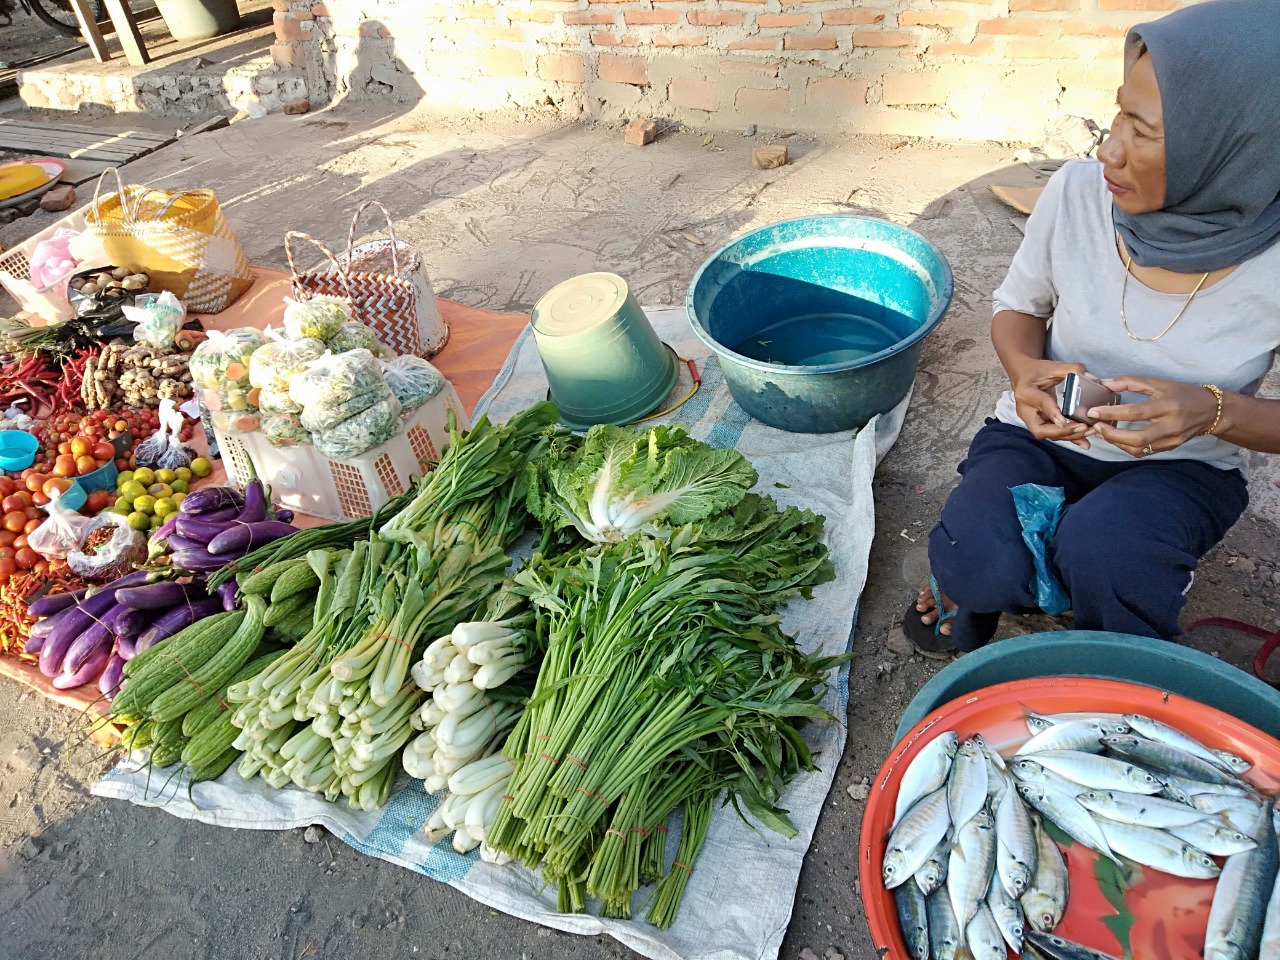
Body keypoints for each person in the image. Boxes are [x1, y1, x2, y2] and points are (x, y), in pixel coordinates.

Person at [903, 0, 1280, 658]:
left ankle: (1102, 628)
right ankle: (994, 585)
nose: (1109, 148)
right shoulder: (1078, 194)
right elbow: (1018, 307)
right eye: (1117, 114)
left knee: (1114, 558)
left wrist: (1212, 412)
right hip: (1040, 436)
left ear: (1235, 148)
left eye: (1144, 129)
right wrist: (1025, 375)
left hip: (1179, 470)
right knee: (976, 556)